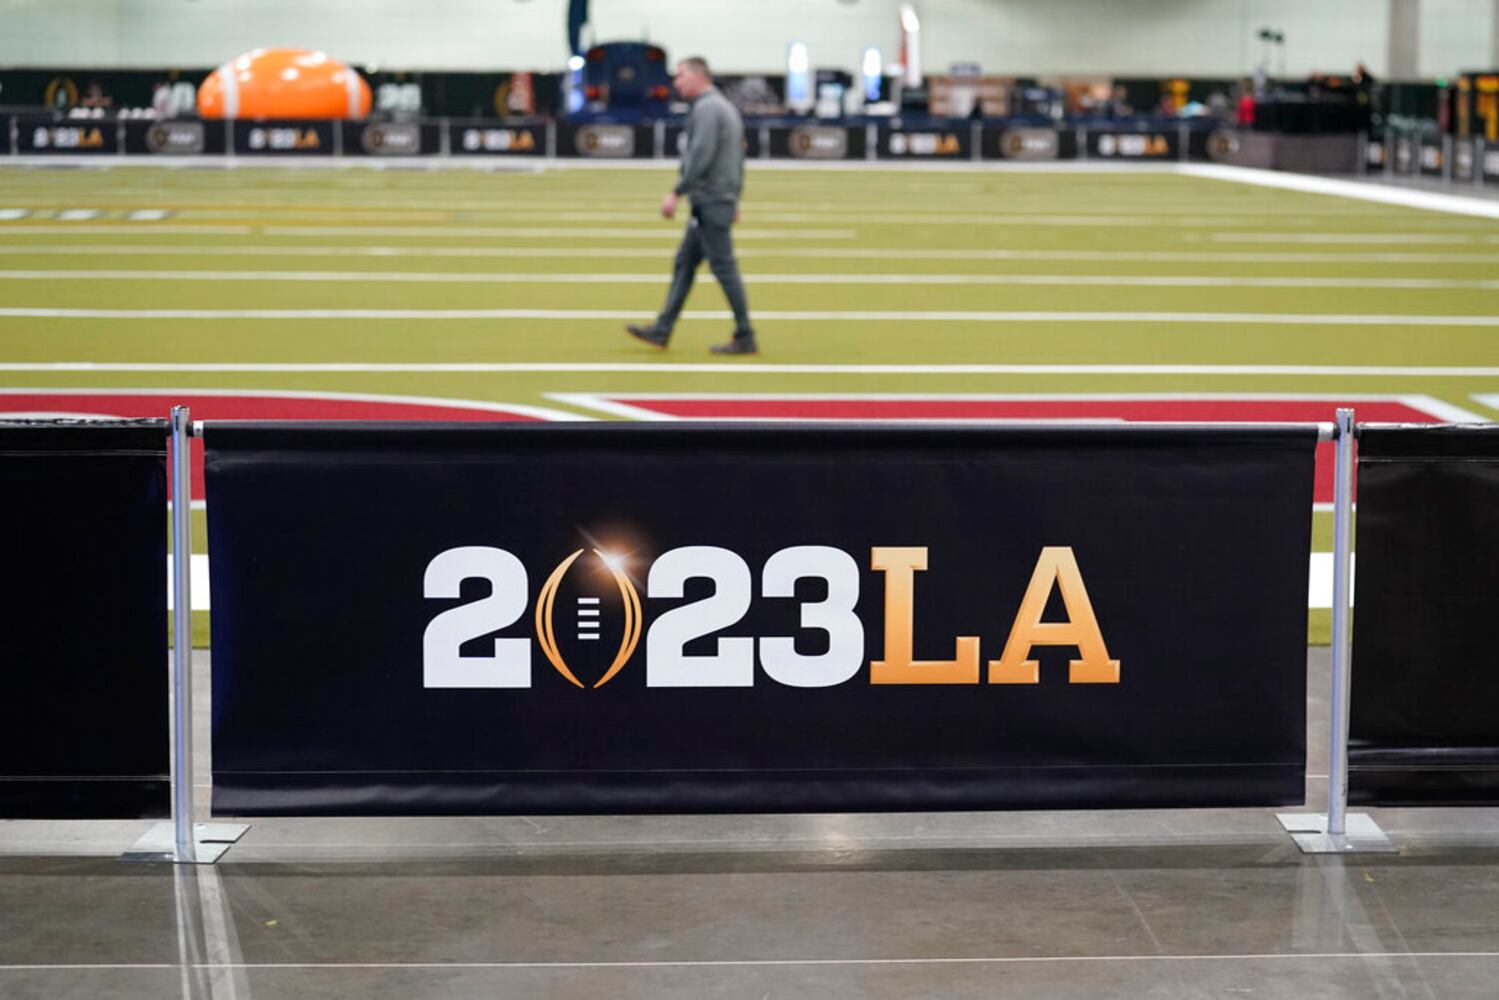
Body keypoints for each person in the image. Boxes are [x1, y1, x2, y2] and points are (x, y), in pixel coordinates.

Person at [626, 56, 757, 355]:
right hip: (715, 199)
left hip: (710, 200)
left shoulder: (708, 108)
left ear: (698, 76)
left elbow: (701, 153)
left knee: (724, 267)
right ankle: (663, 329)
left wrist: (677, 191)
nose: (677, 82)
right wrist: (734, 198)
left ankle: (745, 334)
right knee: (685, 264)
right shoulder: (721, 107)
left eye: (681, 75)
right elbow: (737, 158)